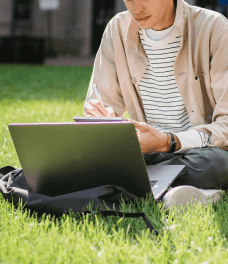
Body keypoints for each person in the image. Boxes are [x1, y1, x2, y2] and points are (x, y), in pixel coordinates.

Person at [84, 0, 228, 207]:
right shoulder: (117, 28)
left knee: (218, 164)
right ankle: (188, 192)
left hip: (198, 152)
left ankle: (134, 183)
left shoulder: (214, 28)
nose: (135, 8)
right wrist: (103, 123)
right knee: (81, 159)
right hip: (142, 153)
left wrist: (167, 141)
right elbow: (98, 104)